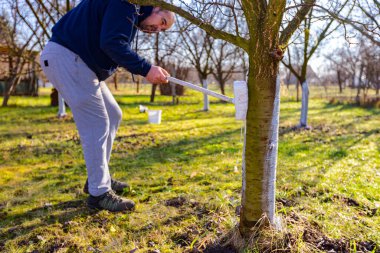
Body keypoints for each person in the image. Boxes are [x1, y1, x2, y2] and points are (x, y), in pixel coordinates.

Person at [40, 0, 175, 212]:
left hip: (79, 62)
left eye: (162, 30)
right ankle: (99, 193)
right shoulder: (128, 3)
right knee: (97, 123)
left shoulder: (130, 11)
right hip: (68, 57)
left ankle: (98, 179)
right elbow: (112, 43)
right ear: (156, 7)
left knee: (113, 114)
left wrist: (145, 68)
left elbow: (113, 44)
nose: (157, 30)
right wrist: (147, 69)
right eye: (162, 22)